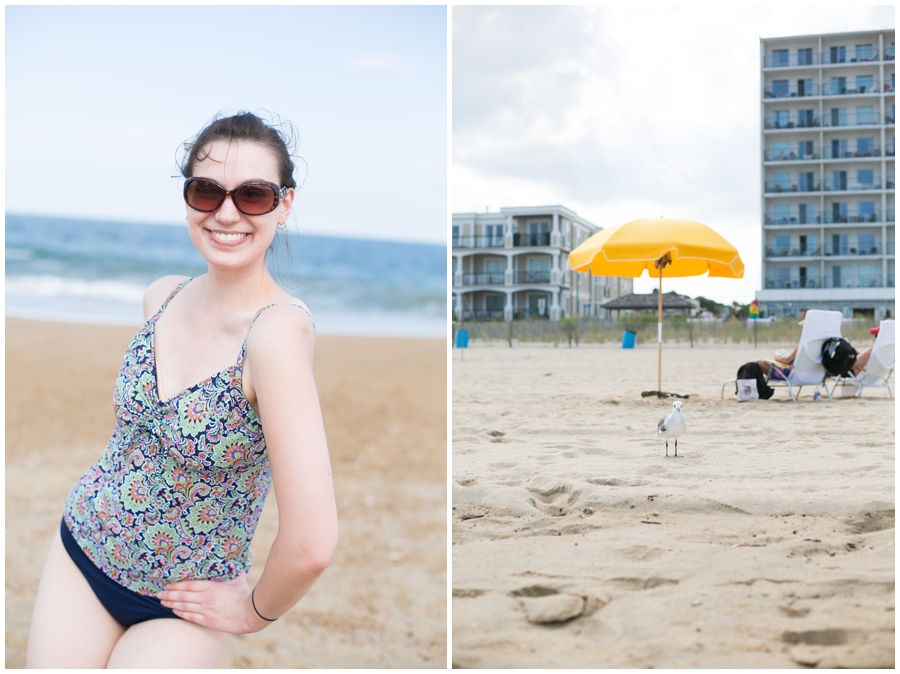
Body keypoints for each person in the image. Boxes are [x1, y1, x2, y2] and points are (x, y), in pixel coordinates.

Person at [26, 112, 338, 668]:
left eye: (253, 195)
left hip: (182, 604)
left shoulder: (276, 334)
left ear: (284, 205)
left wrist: (253, 613)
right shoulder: (162, 296)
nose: (226, 212)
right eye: (206, 190)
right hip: (84, 547)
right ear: (188, 197)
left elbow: (312, 542)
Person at [756, 322, 874, 378]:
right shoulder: (825, 344)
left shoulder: (804, 343)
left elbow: (786, 361)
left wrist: (777, 358)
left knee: (759, 362)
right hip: (816, 375)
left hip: (793, 374)